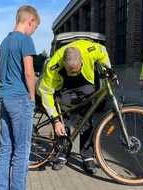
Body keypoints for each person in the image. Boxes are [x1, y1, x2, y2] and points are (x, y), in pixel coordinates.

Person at [38, 40, 111, 174]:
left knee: (87, 118)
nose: (73, 73)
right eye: (70, 71)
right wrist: (55, 120)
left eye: (75, 70)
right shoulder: (53, 66)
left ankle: (87, 156)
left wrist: (108, 70)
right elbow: (45, 92)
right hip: (64, 85)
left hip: (85, 82)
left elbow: (103, 52)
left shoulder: (90, 50)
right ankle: (62, 153)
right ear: (64, 64)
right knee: (63, 118)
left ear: (82, 59)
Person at [0, 5, 40, 190]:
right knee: (22, 150)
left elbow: (1, 71)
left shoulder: (5, 41)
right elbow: (29, 73)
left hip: (2, 97)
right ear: (30, 21)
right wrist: (32, 96)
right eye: (35, 27)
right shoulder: (25, 40)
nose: (34, 32)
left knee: (6, 148)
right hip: (19, 98)